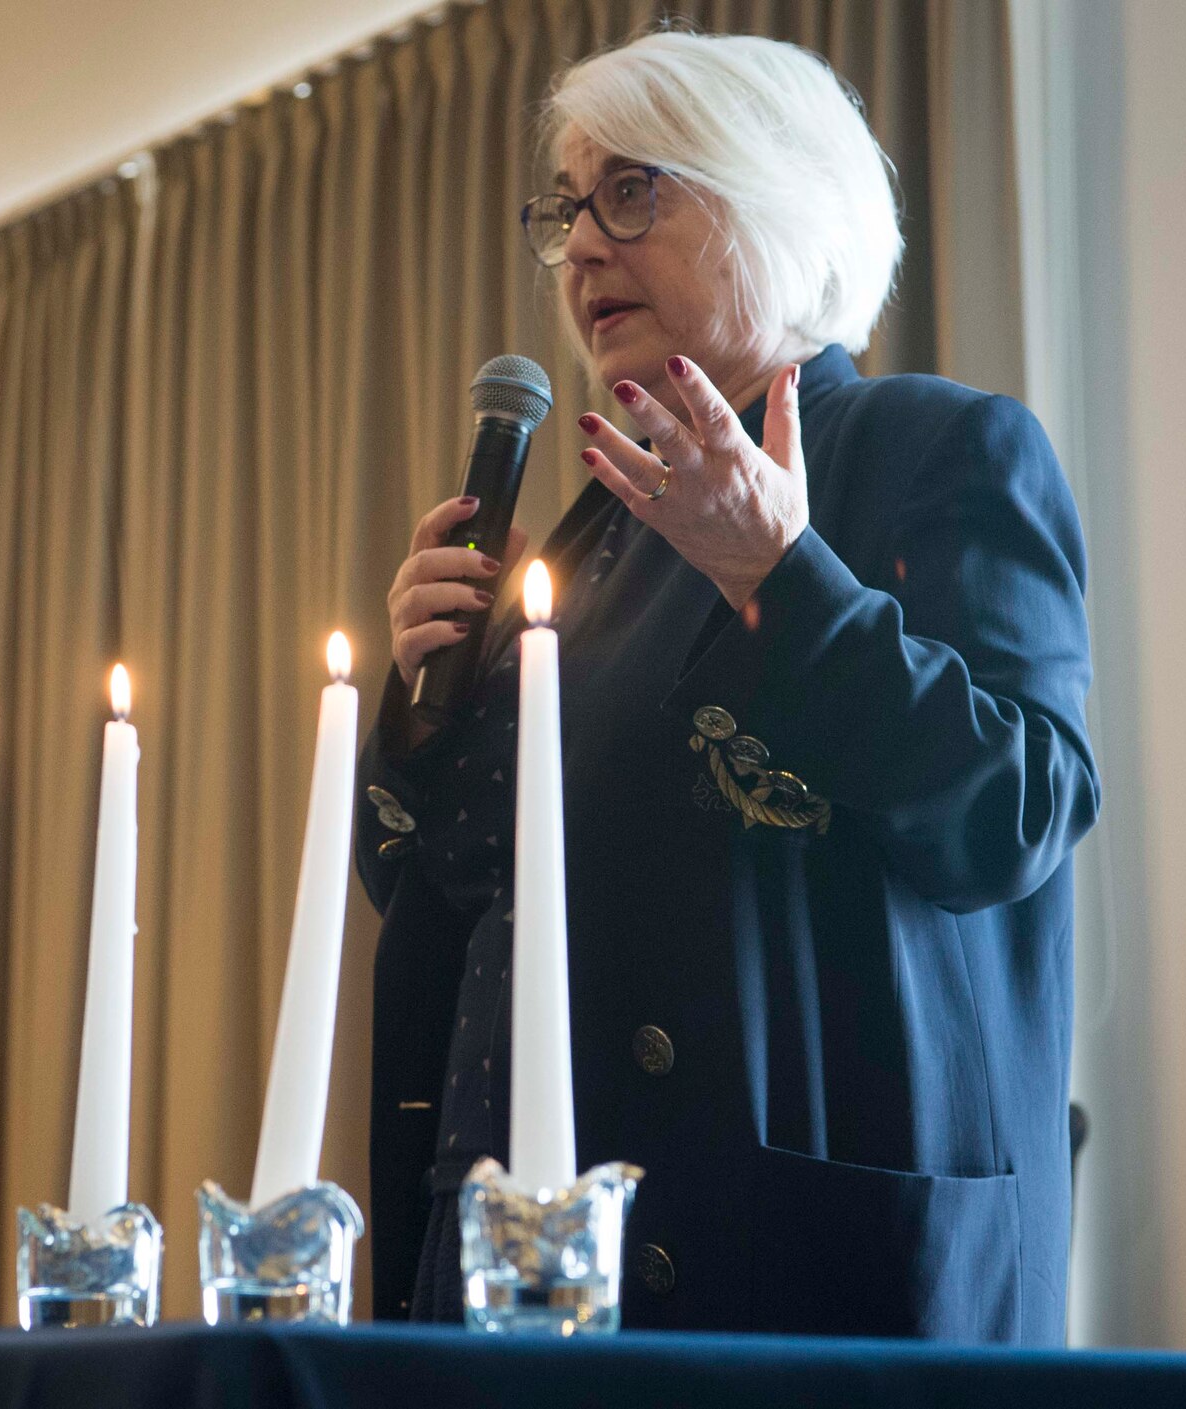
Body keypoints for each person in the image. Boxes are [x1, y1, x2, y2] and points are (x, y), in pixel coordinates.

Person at [355, 30, 1098, 1344]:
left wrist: (782, 575)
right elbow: (468, 907)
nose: (582, 246)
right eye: (568, 208)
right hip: (531, 1265)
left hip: (797, 1277)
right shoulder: (592, 533)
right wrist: (428, 716)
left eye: (632, 189)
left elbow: (1023, 805)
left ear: (773, 197)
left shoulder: (932, 450)